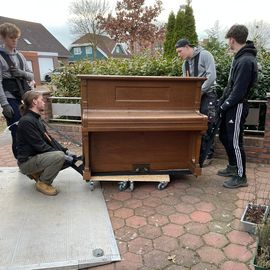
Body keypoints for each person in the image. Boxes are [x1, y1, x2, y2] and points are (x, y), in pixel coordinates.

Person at [217, 24, 258, 189]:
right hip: (231, 106)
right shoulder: (239, 58)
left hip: (238, 106)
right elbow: (231, 86)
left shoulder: (246, 60)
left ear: (232, 39)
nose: (228, 43)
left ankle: (241, 176)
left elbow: (239, 92)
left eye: (228, 40)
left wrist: (223, 106)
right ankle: (233, 166)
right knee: (224, 137)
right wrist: (222, 102)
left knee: (234, 141)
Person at [175, 38, 217, 166]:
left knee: (207, 124)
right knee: (193, 124)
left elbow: (212, 76)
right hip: (195, 97)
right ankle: (195, 155)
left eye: (180, 51)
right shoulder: (185, 64)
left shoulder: (205, 55)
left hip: (208, 95)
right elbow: (185, 82)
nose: (179, 55)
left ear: (188, 47)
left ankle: (208, 155)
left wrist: (200, 91)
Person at [17, 91, 67, 196]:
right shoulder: (26, 121)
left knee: (64, 155)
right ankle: (43, 183)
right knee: (59, 157)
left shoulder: (36, 119)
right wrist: (61, 154)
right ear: (34, 102)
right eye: (41, 100)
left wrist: (64, 150)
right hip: (26, 162)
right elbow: (40, 146)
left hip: (35, 157)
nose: (44, 103)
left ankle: (37, 173)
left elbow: (49, 139)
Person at [0, 22, 34, 158]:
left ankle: (30, 157)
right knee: (17, 129)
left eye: (16, 38)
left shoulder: (20, 56)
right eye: (11, 37)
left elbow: (31, 75)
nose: (14, 40)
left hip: (23, 96)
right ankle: (21, 159)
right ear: (3, 37)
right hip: (9, 97)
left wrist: (21, 72)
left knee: (29, 127)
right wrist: (4, 104)